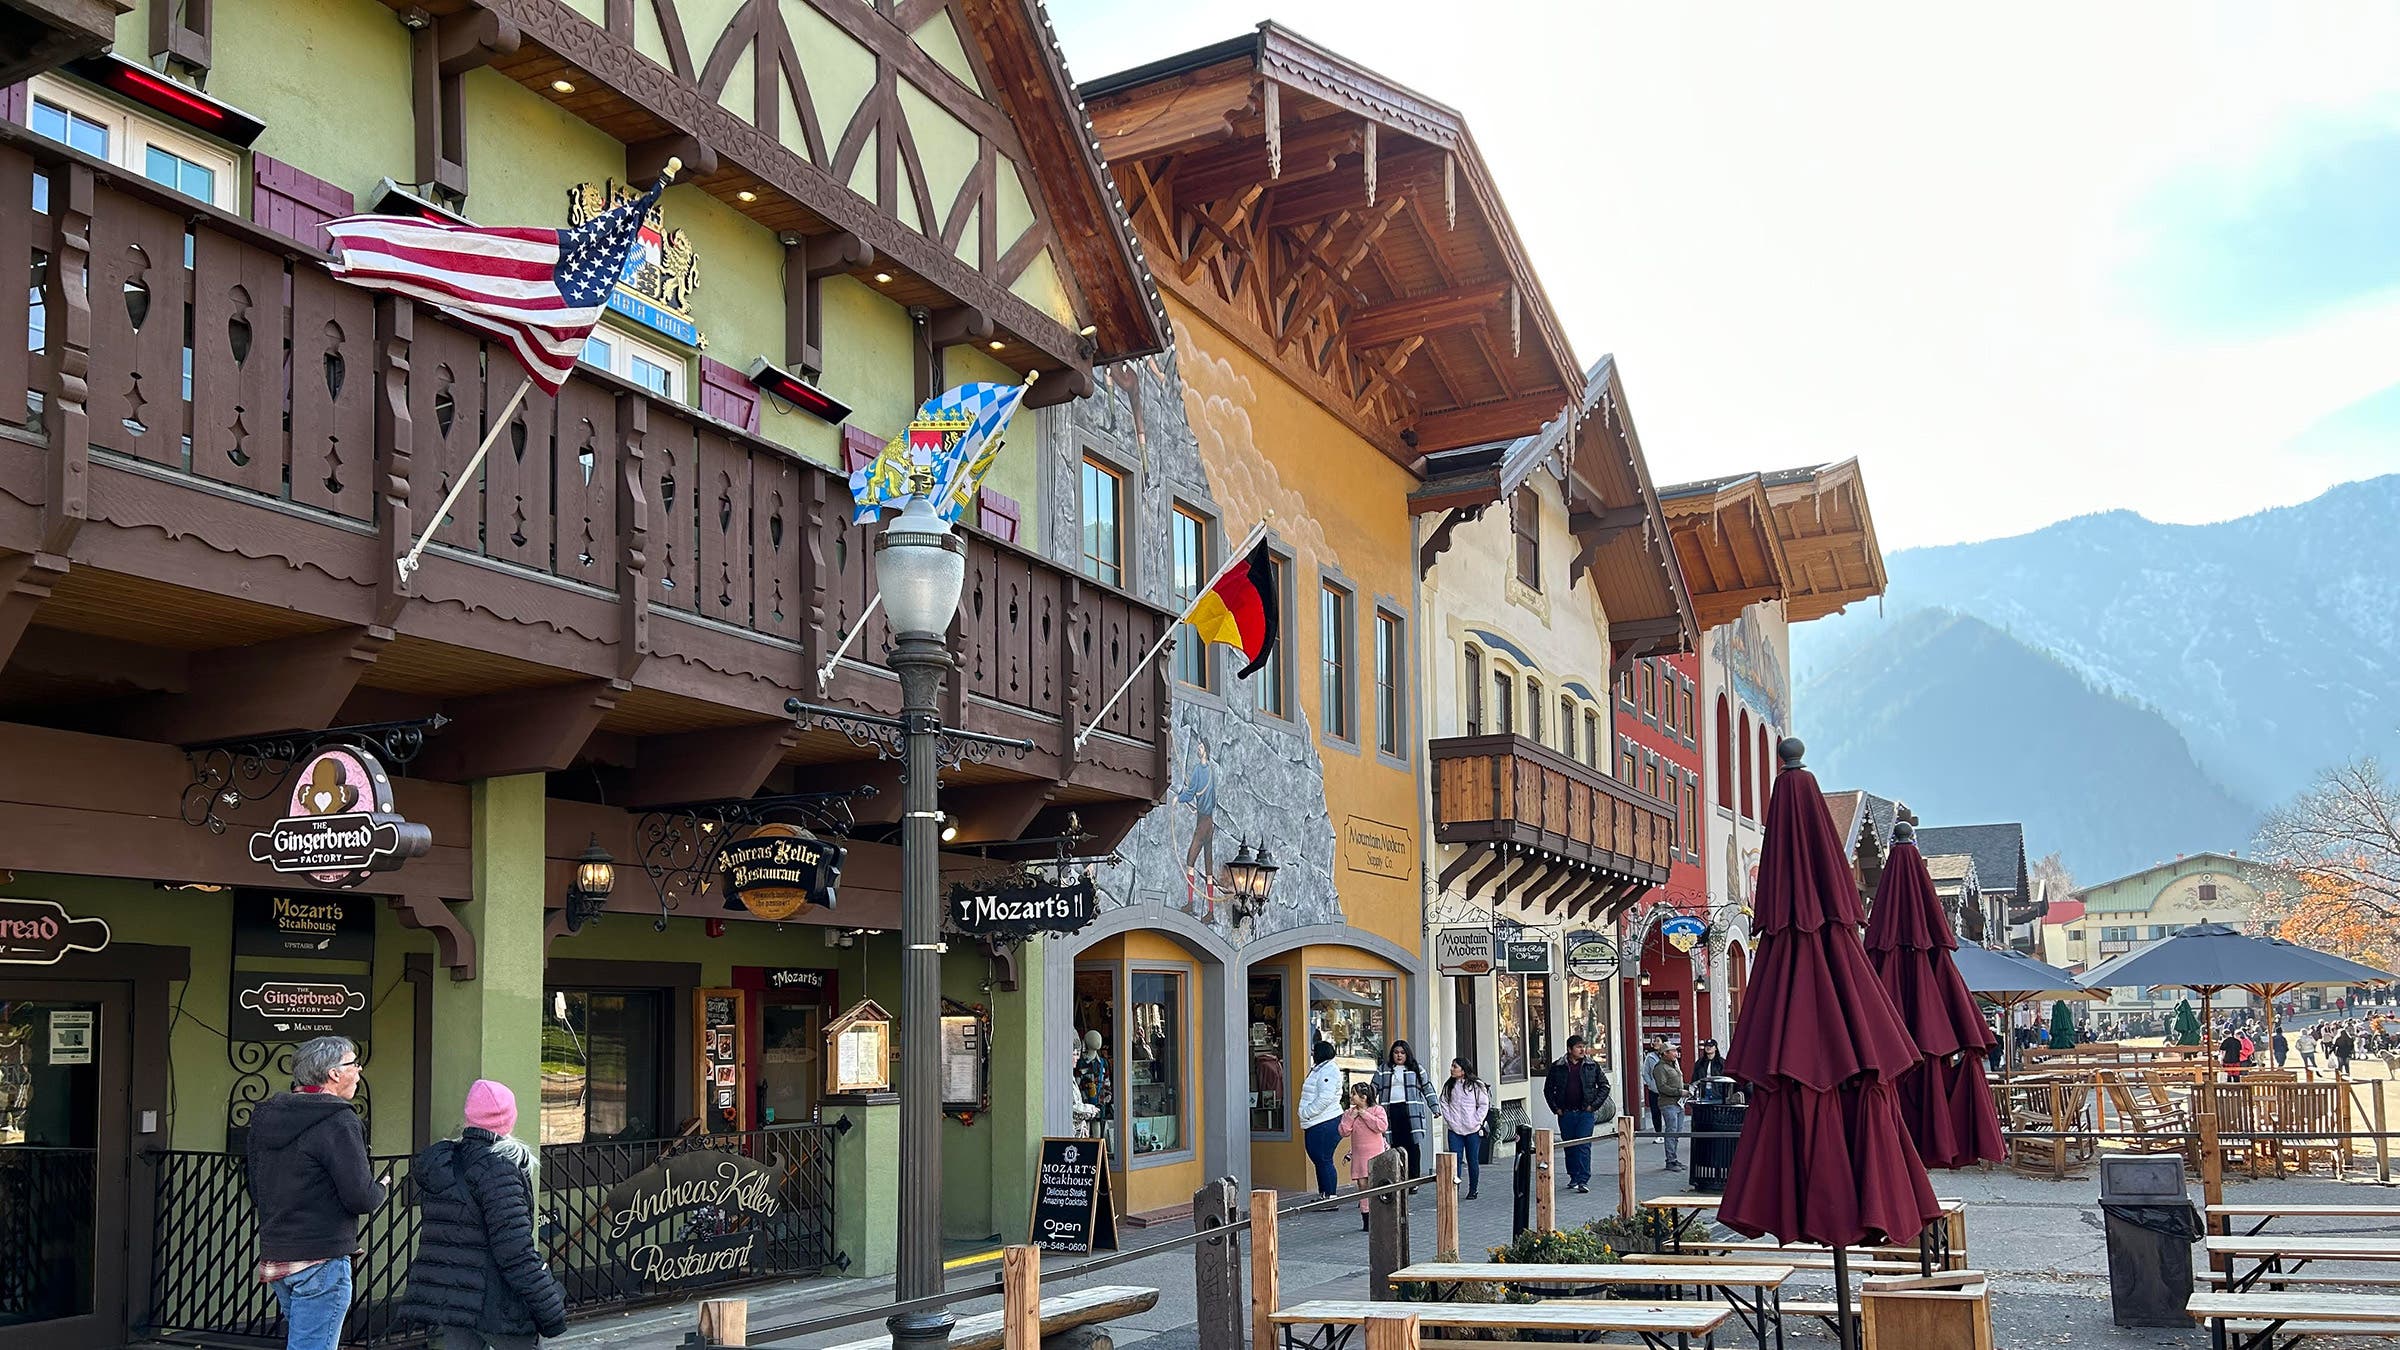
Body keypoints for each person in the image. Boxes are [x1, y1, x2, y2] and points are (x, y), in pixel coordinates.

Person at [396, 1081, 568, 1349]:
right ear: (510, 1119)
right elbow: (515, 1251)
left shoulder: (445, 1164)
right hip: (496, 1303)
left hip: (454, 1300)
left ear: (469, 1116)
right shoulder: (499, 1170)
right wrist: (551, 1309)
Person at [246, 1036, 388, 1350]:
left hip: (278, 1257)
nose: (359, 1071)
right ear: (334, 1074)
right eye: (354, 1064)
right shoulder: (339, 1120)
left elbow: (256, 1188)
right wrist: (381, 1187)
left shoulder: (267, 1117)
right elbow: (360, 1197)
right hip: (321, 1260)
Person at [1542, 1035, 1611, 1194]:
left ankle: (1583, 1179)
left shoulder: (1591, 1065)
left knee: (1583, 1145)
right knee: (1569, 1146)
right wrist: (1556, 1108)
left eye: (1583, 1047)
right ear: (1569, 1049)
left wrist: (1593, 1106)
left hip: (1585, 1113)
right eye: (1579, 1047)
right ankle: (1573, 1176)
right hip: (1566, 1113)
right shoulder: (1558, 1066)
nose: (1582, 1050)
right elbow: (1548, 1090)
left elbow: (1604, 1086)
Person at [1372, 1040, 1435, 1180]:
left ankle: (1414, 1179)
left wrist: (1434, 1107)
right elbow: (1373, 1089)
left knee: (1412, 1145)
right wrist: (1367, 1106)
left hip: (1411, 1111)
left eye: (1402, 1053)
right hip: (1390, 1111)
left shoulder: (1416, 1068)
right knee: (1393, 1145)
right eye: (1396, 1052)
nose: (1399, 1056)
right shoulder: (1383, 1069)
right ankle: (1398, 1178)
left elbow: (1427, 1088)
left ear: (1407, 1054)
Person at [1435, 1058, 1492, 1200]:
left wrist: (1476, 1121)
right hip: (1455, 1130)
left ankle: (1473, 1189)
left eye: (1455, 1067)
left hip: (1472, 1129)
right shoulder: (1449, 1085)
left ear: (1463, 1070)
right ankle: (1455, 1187)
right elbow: (1443, 1102)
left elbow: (1484, 1104)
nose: (1452, 1069)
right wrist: (1451, 1120)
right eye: (1452, 1066)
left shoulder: (1476, 1085)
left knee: (1473, 1160)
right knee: (1455, 1160)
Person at [1338, 1082, 1390, 1229]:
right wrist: (1351, 1117)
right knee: (1362, 1185)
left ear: (1364, 1097)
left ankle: (1380, 1215)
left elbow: (1381, 1127)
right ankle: (1366, 1217)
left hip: (1376, 1153)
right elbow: (1343, 1131)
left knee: (1377, 1184)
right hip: (1359, 1154)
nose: (1351, 1096)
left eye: (1354, 1093)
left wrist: (1364, 1114)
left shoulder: (1377, 1110)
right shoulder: (1349, 1113)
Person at [1298, 1040, 1345, 1199]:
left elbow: (1325, 1098)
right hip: (1316, 1122)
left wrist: (1307, 1112)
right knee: (1320, 1159)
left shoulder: (1329, 1070)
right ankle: (1324, 1195)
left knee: (1323, 1159)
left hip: (1324, 1122)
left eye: (1314, 1051)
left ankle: (1330, 1197)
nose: (1312, 1053)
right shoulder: (1320, 1069)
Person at [1653, 1040, 1688, 1171]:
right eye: (1672, 1051)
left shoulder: (1674, 1065)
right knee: (1671, 1131)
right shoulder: (1660, 1068)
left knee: (1677, 1132)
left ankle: (1674, 1158)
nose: (1676, 1053)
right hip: (1668, 1104)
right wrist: (1680, 1091)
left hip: (1679, 1103)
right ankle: (1670, 1160)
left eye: (1675, 1050)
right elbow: (1662, 1087)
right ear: (1664, 1053)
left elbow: (1676, 1083)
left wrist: (1686, 1088)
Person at [1640, 1035, 1664, 1135]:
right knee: (1655, 1111)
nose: (1655, 1043)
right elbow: (1645, 1072)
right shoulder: (1650, 1057)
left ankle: (1670, 1134)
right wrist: (1650, 1084)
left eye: (1658, 1041)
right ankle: (1658, 1133)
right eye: (1654, 1041)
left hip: (1668, 1089)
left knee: (1669, 1112)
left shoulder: (1669, 1055)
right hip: (1654, 1089)